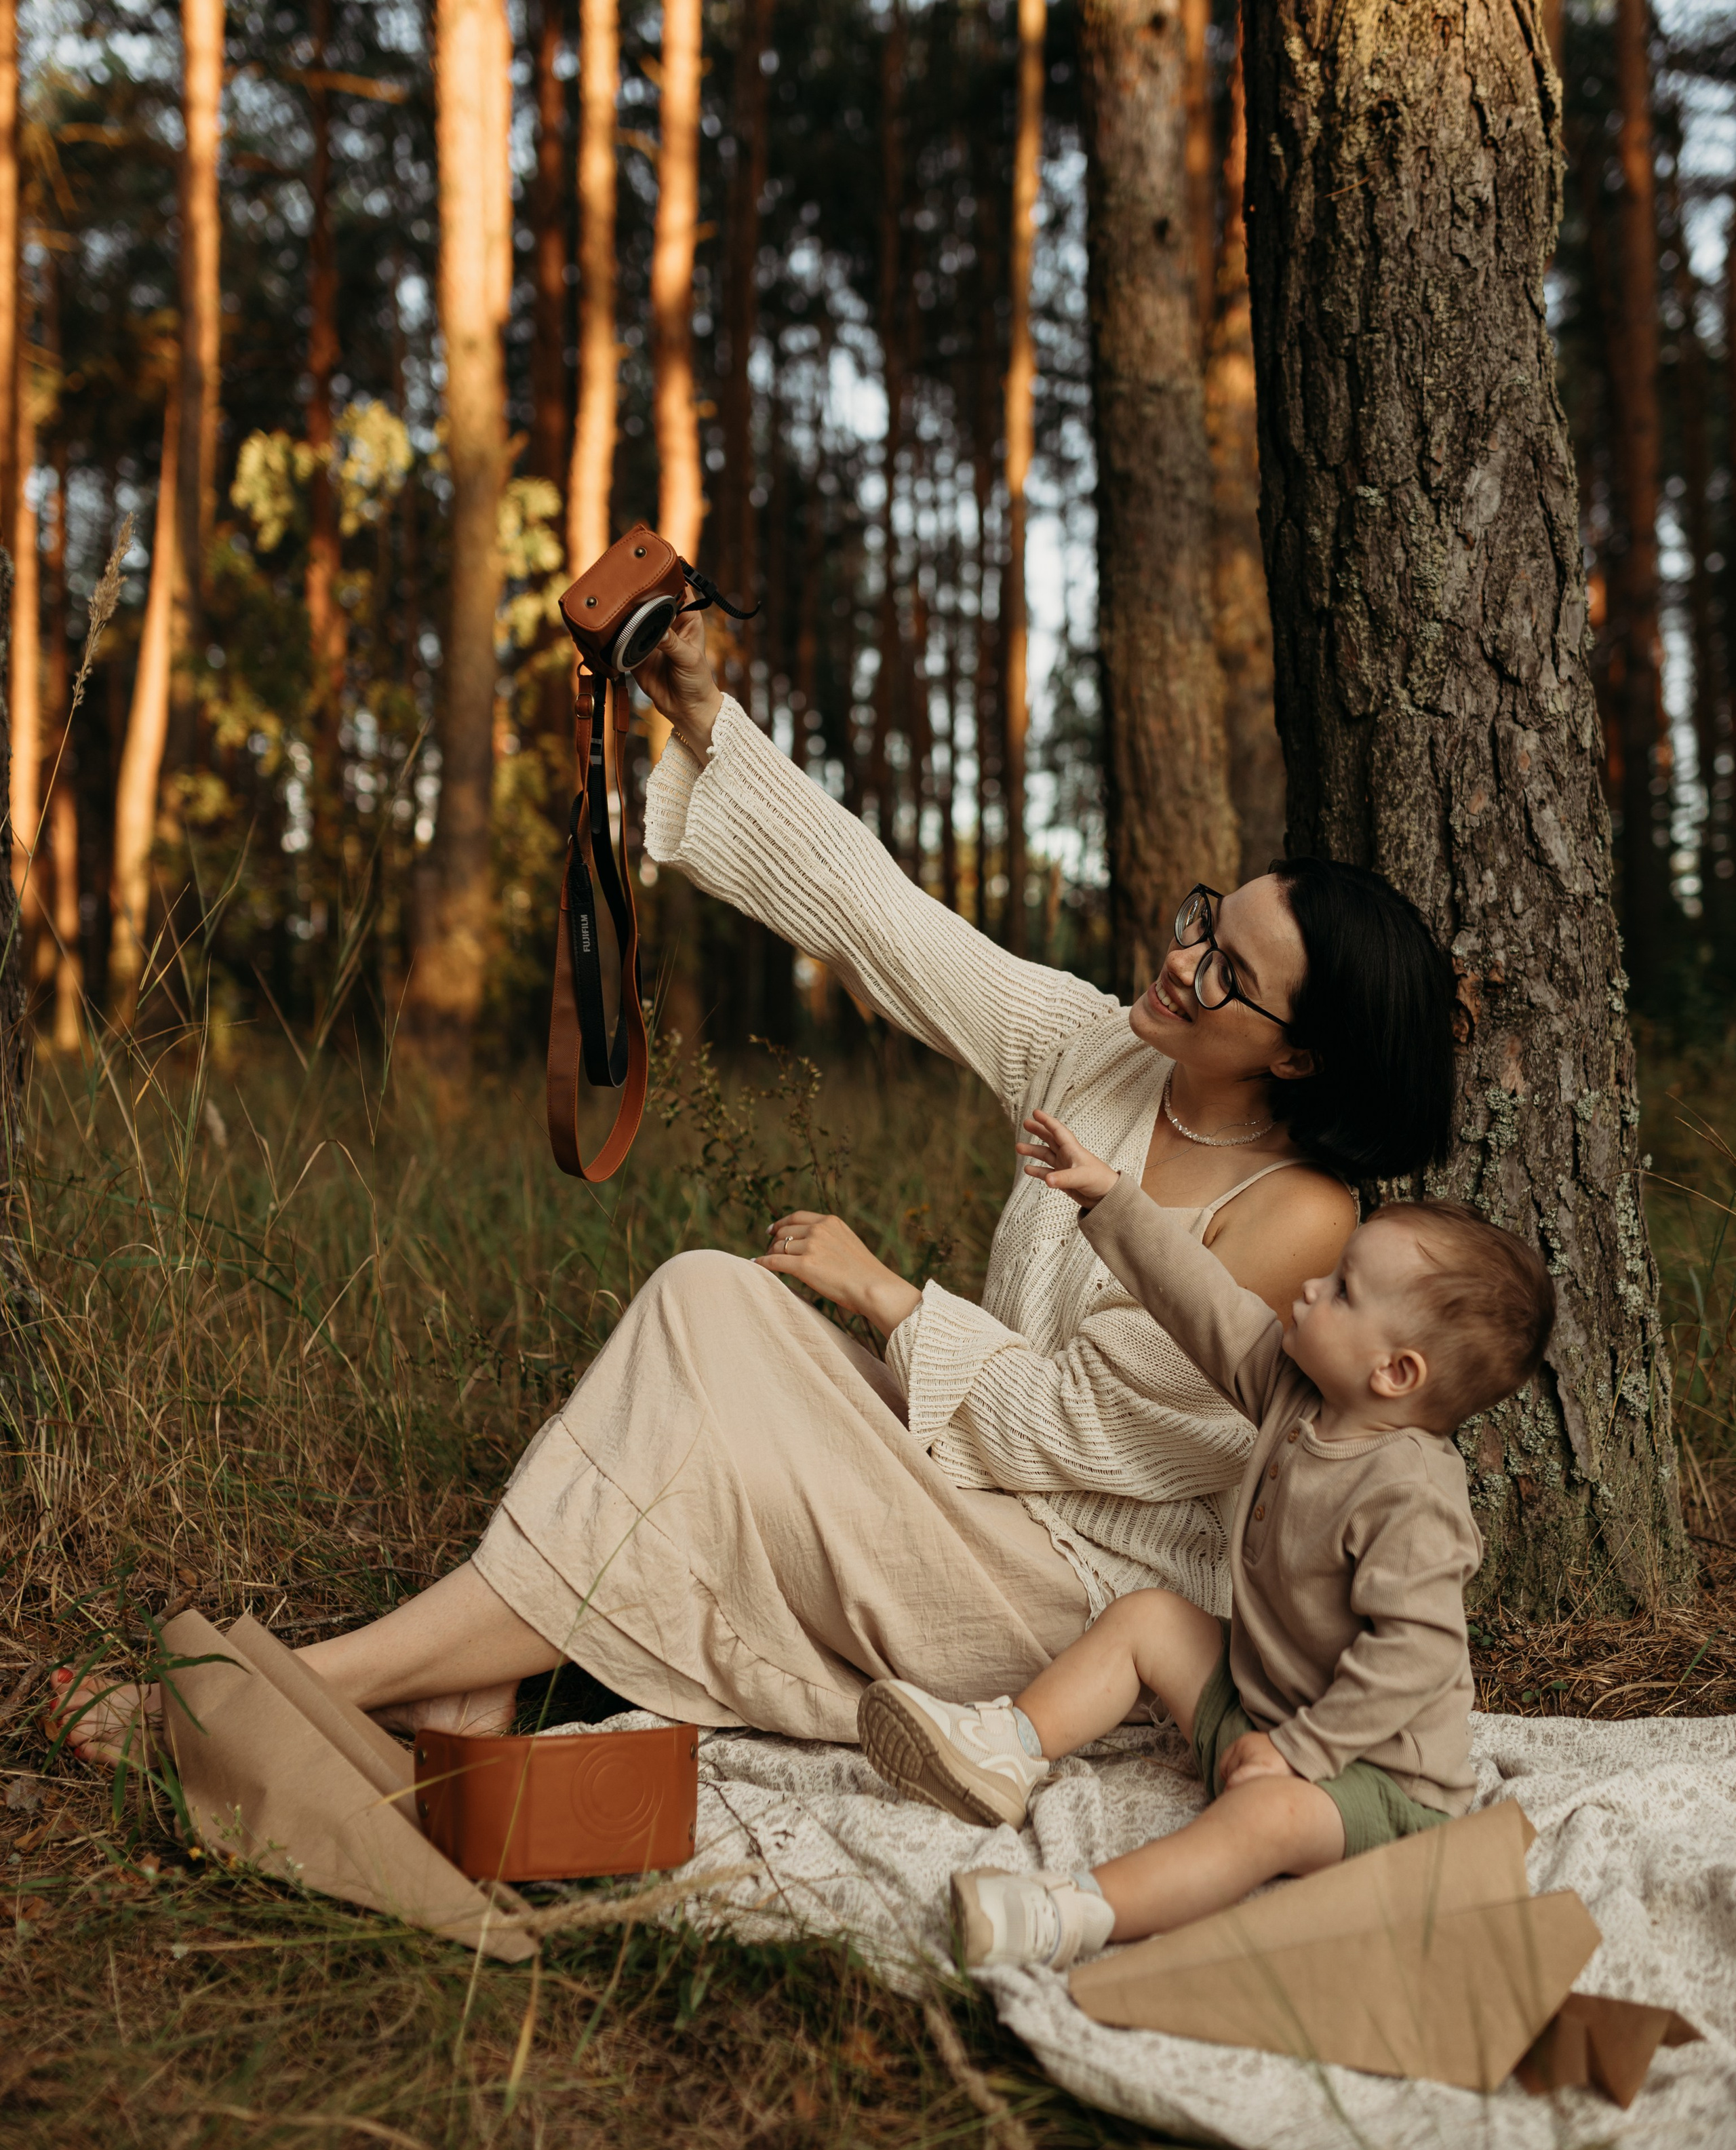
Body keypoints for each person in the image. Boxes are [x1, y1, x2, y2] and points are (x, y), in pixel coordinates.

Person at [52, 611, 1461, 1766]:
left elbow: (1093, 1436)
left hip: (1073, 1597)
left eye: (1229, 970)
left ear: (1301, 1051)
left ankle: (286, 1693)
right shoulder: (1094, 1049)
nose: (1183, 959)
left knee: (725, 1389)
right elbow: (885, 917)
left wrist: (883, 1296)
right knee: (703, 1299)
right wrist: (707, 720)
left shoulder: (1300, 1221)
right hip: (968, 1485)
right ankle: (463, 1685)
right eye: (1206, 918)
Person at [856, 1108, 1556, 1972]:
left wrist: (1299, 1755)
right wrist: (1112, 1198)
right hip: (1262, 1712)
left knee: (1267, 1819)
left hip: (1376, 1787)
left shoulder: (1411, 1496)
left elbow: (1412, 1656)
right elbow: (1205, 1304)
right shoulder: (1296, 1391)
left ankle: (1068, 1915)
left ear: (1395, 1371)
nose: (1308, 1288)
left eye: (1340, 1289)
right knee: (1150, 1617)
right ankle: (1006, 1748)